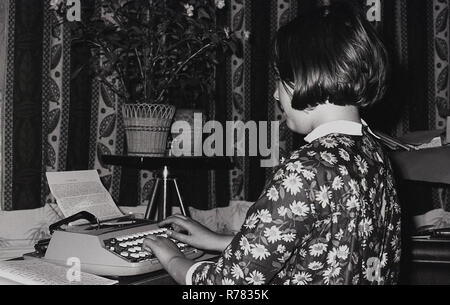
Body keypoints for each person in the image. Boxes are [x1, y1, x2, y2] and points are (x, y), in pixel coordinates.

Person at [143, 1, 401, 285]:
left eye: (281, 79)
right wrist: (219, 241)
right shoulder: (373, 151)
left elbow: (225, 285)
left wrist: (171, 258)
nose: (277, 95)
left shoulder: (307, 169)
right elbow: (327, 247)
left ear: (307, 75)